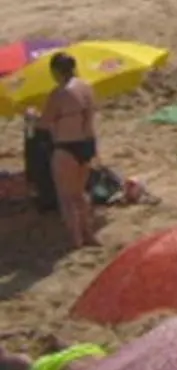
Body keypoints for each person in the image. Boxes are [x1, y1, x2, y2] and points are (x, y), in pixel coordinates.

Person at [40, 52, 98, 248]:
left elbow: (45, 123)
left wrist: (31, 116)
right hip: (87, 144)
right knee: (80, 193)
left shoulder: (59, 94)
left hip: (66, 145)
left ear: (56, 71)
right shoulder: (87, 88)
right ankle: (89, 234)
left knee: (66, 196)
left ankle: (76, 240)